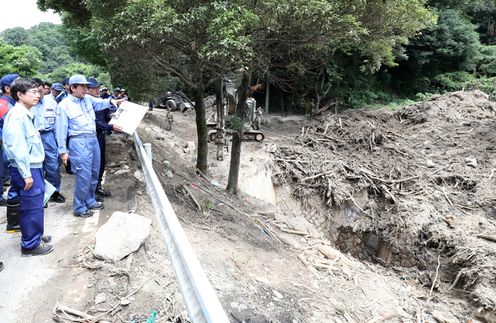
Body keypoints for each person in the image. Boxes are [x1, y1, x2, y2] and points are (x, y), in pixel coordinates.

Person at [56, 75, 122, 217]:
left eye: (87, 87)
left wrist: (113, 101)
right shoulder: (64, 105)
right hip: (79, 142)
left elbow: (101, 103)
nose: (86, 89)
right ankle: (79, 206)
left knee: (94, 172)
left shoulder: (88, 99)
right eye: (83, 87)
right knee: (83, 175)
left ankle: (90, 200)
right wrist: (63, 151)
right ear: (73, 88)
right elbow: (60, 130)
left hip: (93, 140)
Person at [3, 78, 53, 256]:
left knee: (35, 203)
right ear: (19, 95)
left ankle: (35, 235)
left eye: (38, 92)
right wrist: (26, 174)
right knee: (32, 205)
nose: (37, 95)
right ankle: (30, 244)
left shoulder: (25, 114)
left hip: (33, 166)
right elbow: (18, 148)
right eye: (32, 92)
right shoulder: (17, 116)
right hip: (27, 168)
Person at [31, 80, 65, 204]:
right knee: (36, 166)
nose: (39, 94)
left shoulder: (51, 102)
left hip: (49, 136)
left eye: (41, 90)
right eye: (36, 91)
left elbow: (57, 124)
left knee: (53, 166)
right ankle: (40, 196)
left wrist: (60, 143)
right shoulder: (28, 103)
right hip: (33, 138)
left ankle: (54, 192)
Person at [87, 78, 119, 199]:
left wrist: (112, 116)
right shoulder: (86, 103)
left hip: (100, 135)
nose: (98, 90)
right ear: (87, 89)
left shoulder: (101, 101)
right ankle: (91, 191)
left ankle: (97, 187)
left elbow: (105, 115)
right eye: (95, 88)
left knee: (100, 162)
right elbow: (94, 122)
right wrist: (110, 126)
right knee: (91, 165)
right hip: (90, 136)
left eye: (98, 88)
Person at [0, 73, 21, 232]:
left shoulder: (13, 104)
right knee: (15, 184)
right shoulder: (5, 106)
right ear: (8, 88)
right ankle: (13, 223)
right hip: (8, 151)